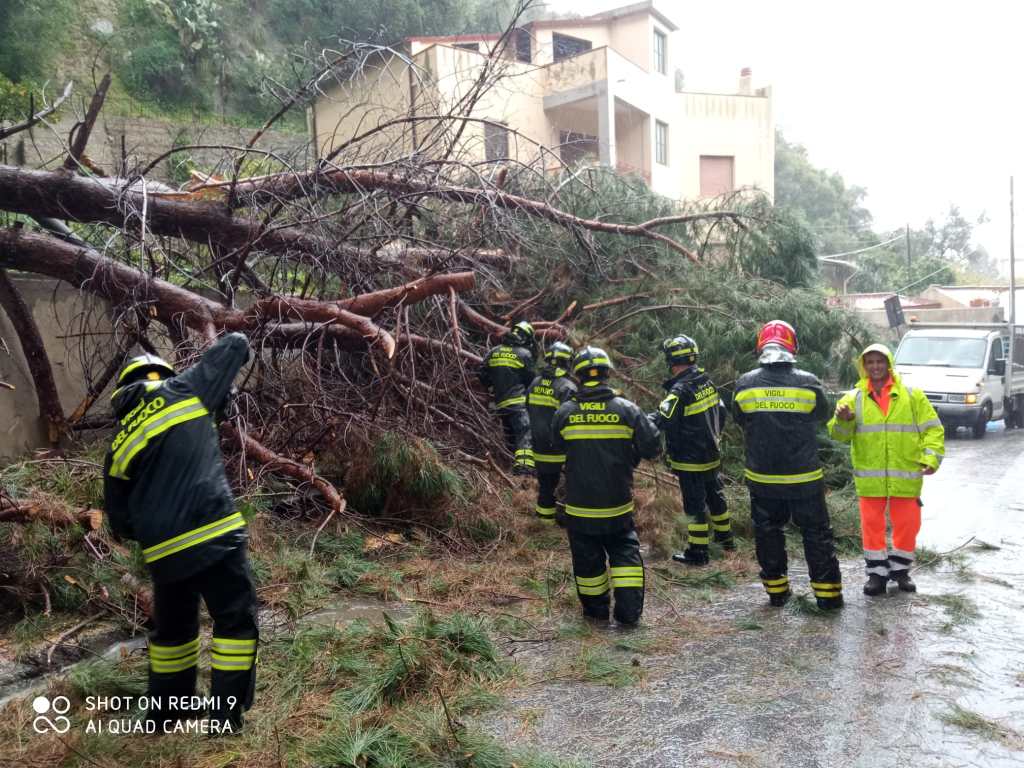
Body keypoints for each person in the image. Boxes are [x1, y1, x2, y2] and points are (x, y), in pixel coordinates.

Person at [104, 333, 256, 732]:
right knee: (235, 625)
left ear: (126, 391)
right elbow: (236, 343)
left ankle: (168, 715)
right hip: (216, 534)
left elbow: (119, 521)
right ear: (165, 375)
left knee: (174, 634)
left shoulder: (119, 443)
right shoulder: (185, 389)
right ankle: (224, 718)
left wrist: (159, 528)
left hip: (164, 555)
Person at [732, 320, 843, 609]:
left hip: (762, 477)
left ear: (761, 346)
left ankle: (777, 593)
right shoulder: (808, 382)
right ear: (793, 346)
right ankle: (828, 597)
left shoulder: (744, 384)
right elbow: (821, 414)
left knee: (767, 533)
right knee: (816, 533)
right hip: (804, 477)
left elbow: (740, 419)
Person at [550, 346, 661, 625]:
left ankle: (596, 613)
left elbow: (557, 448)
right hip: (617, 506)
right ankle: (628, 613)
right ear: (607, 374)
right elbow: (652, 447)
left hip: (580, 508)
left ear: (578, 375)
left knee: (587, 564)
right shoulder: (627, 410)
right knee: (625, 554)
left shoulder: (564, 413)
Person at [828, 343, 944, 595]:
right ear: (864, 366)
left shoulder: (912, 395)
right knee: (872, 526)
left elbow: (933, 429)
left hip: (906, 473)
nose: (875, 366)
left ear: (888, 364)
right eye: (870, 362)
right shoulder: (852, 399)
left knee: (907, 524)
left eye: (879, 361)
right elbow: (838, 435)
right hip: (870, 477)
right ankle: (877, 575)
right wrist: (843, 420)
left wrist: (931, 458)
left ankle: (900, 571)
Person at [651, 335, 733, 565]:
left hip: (690, 458)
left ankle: (698, 553)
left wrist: (634, 423)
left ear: (671, 360)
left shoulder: (681, 389)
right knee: (716, 496)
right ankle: (726, 540)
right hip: (711, 452)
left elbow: (660, 418)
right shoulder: (706, 381)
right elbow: (722, 413)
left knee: (694, 506)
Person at [526, 341, 577, 523]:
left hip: (538, 445)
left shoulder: (534, 383)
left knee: (545, 486)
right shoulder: (567, 388)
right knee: (566, 486)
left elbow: (528, 409)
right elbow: (571, 420)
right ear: (567, 362)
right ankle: (564, 520)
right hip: (559, 450)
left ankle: (543, 521)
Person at [479, 320, 537, 475]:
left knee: (511, 436)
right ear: (526, 338)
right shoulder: (525, 354)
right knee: (525, 433)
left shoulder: (494, 351)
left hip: (500, 405)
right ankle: (524, 472)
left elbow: (482, 374)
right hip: (518, 403)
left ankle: (510, 465)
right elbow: (531, 381)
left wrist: (493, 385)